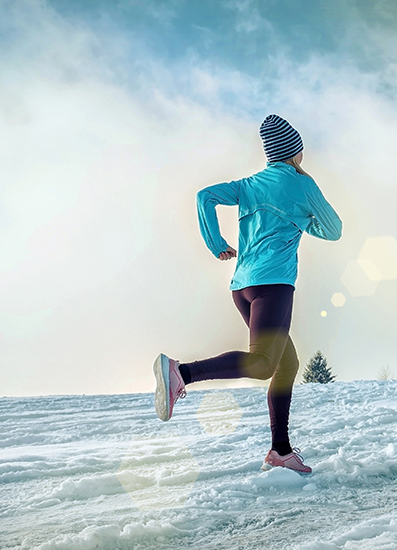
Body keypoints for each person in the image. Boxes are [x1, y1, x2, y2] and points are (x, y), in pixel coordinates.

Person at [153, 114, 342, 474]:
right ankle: (182, 372)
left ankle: (280, 452)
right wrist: (304, 220)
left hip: (243, 287)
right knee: (265, 364)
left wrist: (216, 243)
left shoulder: (250, 184)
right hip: (274, 285)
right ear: (295, 150)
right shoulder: (303, 186)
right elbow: (334, 230)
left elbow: (204, 196)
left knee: (286, 364)